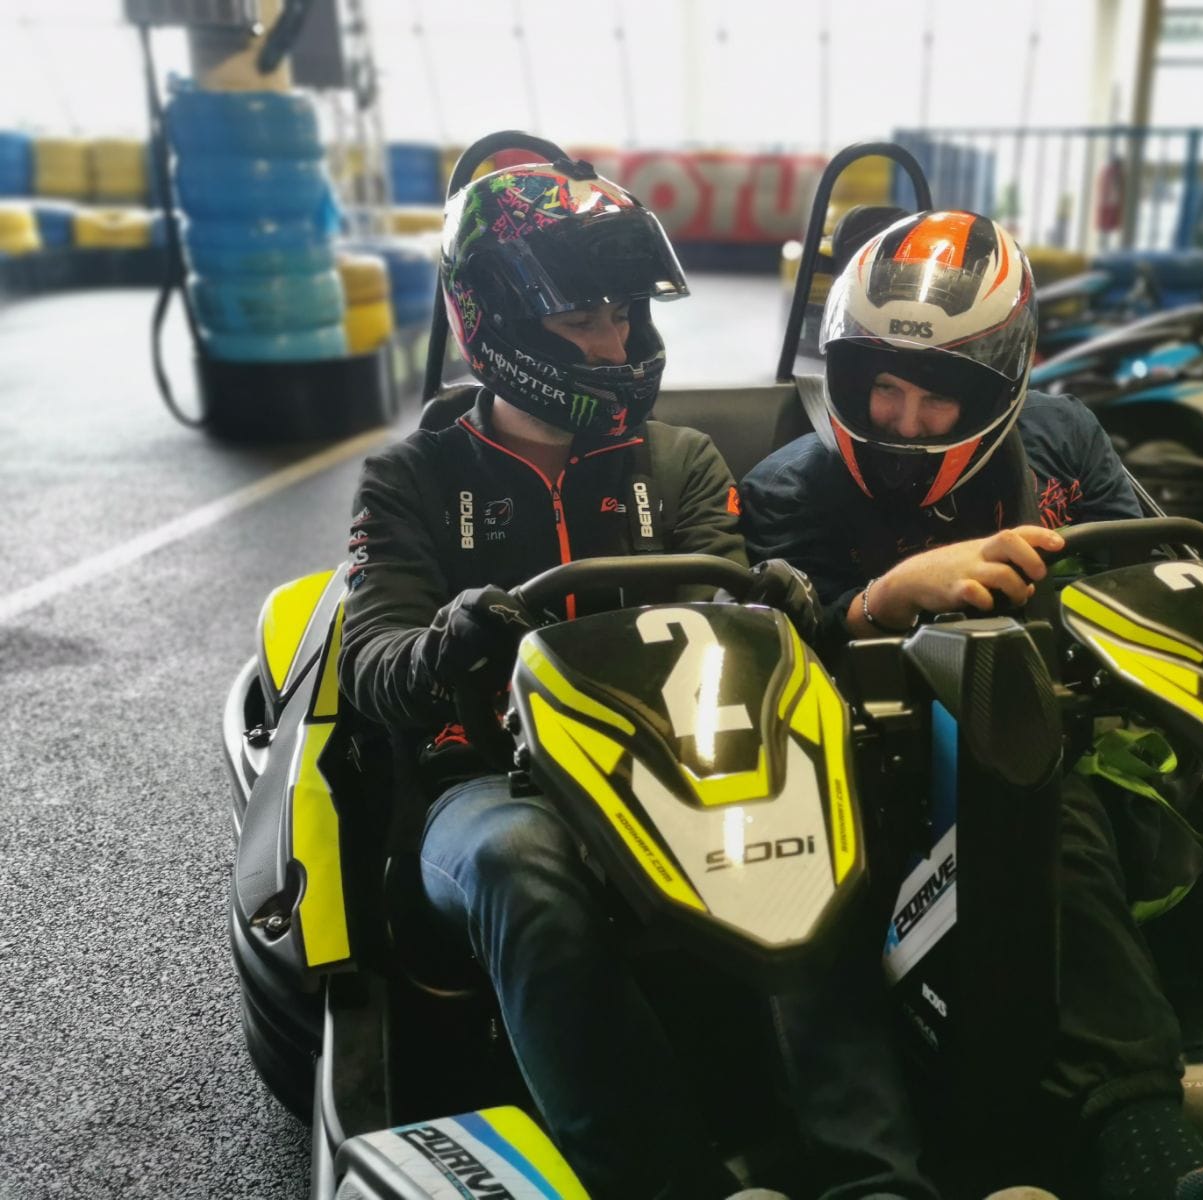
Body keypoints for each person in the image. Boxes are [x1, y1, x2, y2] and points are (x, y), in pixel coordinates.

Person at [337, 160, 933, 1200]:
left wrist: (774, 609)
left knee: (809, 818)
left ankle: (872, 1179)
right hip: (484, 786)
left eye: (622, 315)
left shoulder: (681, 463)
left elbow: (731, 634)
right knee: (522, 863)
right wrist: (451, 642)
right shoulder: (412, 480)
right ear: (497, 321)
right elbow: (372, 662)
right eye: (583, 321)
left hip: (681, 772)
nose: (616, 344)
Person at [739, 210, 1203, 1200]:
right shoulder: (786, 490)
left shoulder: (1064, 440)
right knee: (1004, 808)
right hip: (852, 776)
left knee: (1076, 801)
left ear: (998, 386)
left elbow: (1141, 572)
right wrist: (885, 598)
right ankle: (951, 1162)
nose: (902, 422)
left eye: (935, 397)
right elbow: (764, 661)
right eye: (882, 389)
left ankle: (1160, 1097)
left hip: (1053, 745)